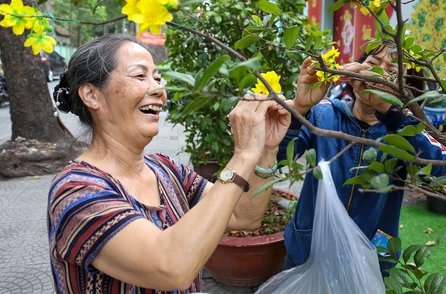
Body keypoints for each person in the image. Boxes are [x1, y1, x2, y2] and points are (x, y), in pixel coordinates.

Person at [47, 34, 290, 293]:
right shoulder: (76, 192)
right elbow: (171, 268)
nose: (159, 91)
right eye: (140, 76)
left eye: (158, 79)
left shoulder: (166, 169)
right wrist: (242, 155)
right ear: (91, 95)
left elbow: (242, 215)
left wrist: (266, 149)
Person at [278, 43, 446, 271]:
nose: (376, 75)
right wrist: (299, 109)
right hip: (308, 250)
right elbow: (280, 157)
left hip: (368, 262)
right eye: (372, 64)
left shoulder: (407, 130)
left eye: (391, 72)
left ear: (406, 89)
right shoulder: (322, 113)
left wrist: (391, 114)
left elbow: (438, 173)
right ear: (354, 72)